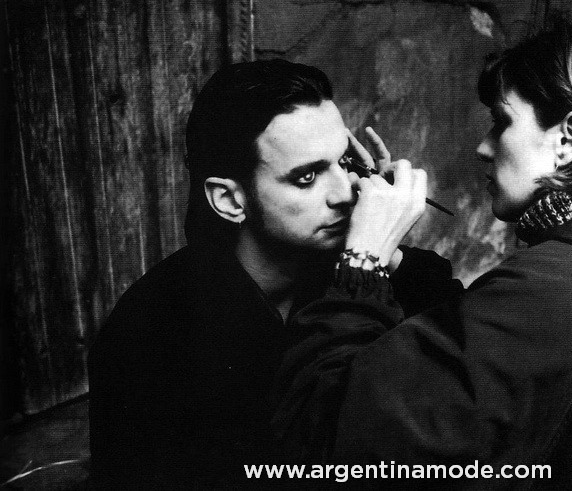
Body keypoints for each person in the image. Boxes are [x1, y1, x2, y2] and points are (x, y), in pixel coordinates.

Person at [273, 23, 572, 489]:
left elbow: (327, 441)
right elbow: (487, 352)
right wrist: (393, 259)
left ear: (570, 139)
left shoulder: (558, 288)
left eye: (501, 122)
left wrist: (361, 263)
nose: (483, 148)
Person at [88, 59, 456, 488]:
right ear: (230, 201)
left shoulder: (341, 268)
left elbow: (458, 330)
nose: (345, 193)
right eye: (307, 177)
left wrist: (383, 249)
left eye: (343, 162)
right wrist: (365, 258)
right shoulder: (152, 332)